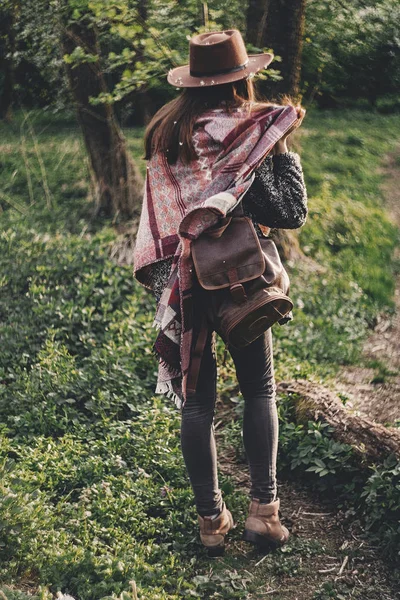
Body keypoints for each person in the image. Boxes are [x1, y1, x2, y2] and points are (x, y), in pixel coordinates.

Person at [133, 29, 308, 557]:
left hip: (189, 283)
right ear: (242, 78)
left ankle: (211, 523)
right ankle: (264, 514)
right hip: (242, 275)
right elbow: (290, 213)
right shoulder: (257, 131)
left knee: (197, 405)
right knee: (259, 389)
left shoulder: (167, 133)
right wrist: (282, 156)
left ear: (192, 80)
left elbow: (162, 222)